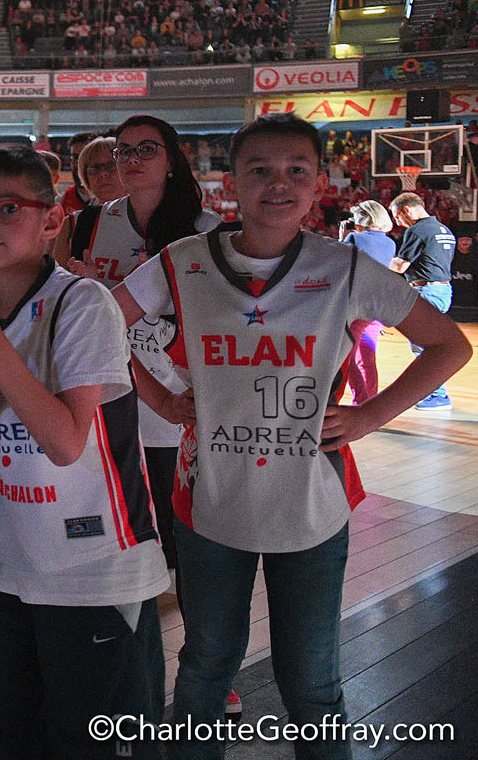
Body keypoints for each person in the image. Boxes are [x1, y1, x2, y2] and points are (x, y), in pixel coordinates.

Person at [113, 113, 470, 759]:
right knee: (204, 669)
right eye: (259, 170)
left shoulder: (345, 268)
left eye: (295, 170)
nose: (278, 183)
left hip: (311, 505)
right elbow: (100, 327)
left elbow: (449, 344)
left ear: (318, 185)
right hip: (210, 500)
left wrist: (369, 415)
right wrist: (160, 397)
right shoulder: (183, 262)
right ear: (230, 184)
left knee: (311, 684)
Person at [0, 145, 168, 759]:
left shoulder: (82, 303)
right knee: (10, 739)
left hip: (93, 570)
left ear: (52, 220)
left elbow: (65, 443)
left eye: (7, 207)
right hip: (11, 564)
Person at [64, 117, 222, 659]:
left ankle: (206, 665)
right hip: (108, 397)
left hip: (178, 404)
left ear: (171, 159)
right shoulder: (93, 221)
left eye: (145, 149)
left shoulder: (207, 229)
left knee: (186, 537)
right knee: (122, 530)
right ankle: (127, 662)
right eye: (123, 151)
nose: (130, 160)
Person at [389, 191, 458, 410]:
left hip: (426, 292)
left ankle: (438, 396)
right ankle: (436, 394)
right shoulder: (443, 230)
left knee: (424, 347)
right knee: (429, 344)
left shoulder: (418, 230)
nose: (398, 223)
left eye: (397, 217)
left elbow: (400, 266)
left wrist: (372, 257)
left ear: (407, 210)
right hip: (443, 290)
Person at [340, 200, 397, 404]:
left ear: (364, 217)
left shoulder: (355, 238)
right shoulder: (390, 243)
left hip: (358, 305)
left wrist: (342, 237)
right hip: (379, 304)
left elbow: (338, 263)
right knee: (368, 357)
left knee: (346, 358)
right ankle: (370, 401)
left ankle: (361, 401)